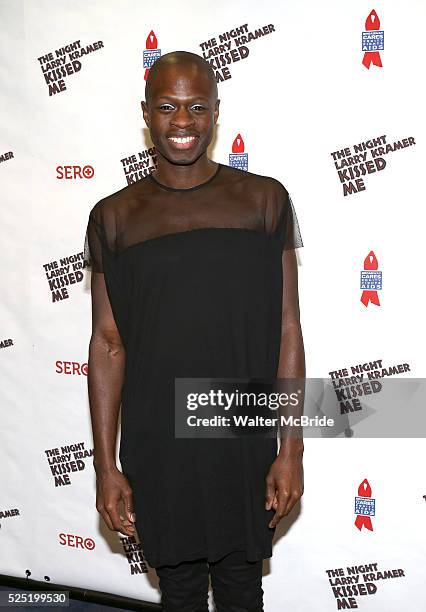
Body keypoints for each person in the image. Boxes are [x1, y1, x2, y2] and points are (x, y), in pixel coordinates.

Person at [84, 50, 305, 612]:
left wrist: (291, 449)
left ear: (215, 113)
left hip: (241, 435)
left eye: (196, 107)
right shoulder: (114, 216)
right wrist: (105, 465)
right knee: (178, 592)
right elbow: (108, 342)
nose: (182, 122)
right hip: (159, 442)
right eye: (166, 107)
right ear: (145, 113)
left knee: (240, 589)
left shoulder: (264, 201)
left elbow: (287, 330)